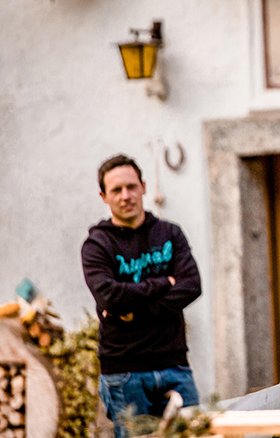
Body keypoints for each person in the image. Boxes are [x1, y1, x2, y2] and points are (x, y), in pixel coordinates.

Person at [81, 154, 202, 438]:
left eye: (131, 186)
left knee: (195, 436)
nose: (126, 196)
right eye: (116, 190)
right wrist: (163, 283)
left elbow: (191, 286)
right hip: (124, 373)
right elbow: (110, 297)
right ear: (104, 196)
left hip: (175, 366)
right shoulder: (97, 244)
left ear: (144, 187)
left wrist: (134, 310)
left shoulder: (170, 234)